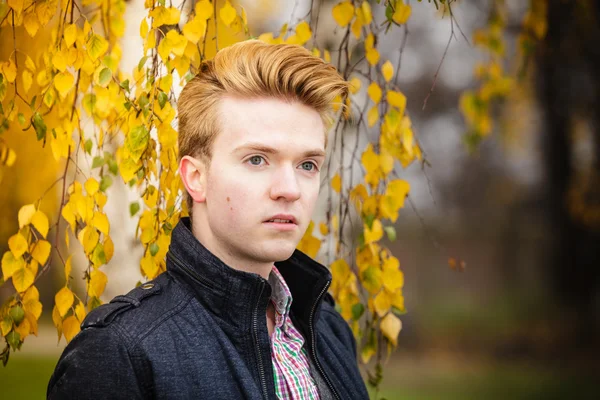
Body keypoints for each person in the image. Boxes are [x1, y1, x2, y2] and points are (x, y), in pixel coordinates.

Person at [47, 39, 369, 399]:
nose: (290, 189)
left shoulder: (328, 329)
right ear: (196, 178)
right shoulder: (121, 353)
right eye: (257, 160)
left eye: (307, 164)